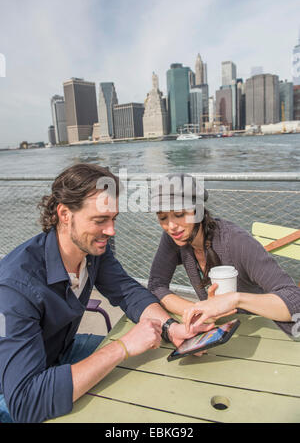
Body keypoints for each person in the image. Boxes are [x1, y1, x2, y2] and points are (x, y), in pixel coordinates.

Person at [0, 164, 212, 423]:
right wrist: (122, 347)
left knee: (156, 358)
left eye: (113, 219)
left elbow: (126, 291)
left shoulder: (91, 249)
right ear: (65, 214)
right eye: (100, 220)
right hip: (13, 386)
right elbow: (26, 402)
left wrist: (170, 327)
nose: (111, 231)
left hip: (61, 351)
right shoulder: (15, 286)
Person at [148, 173, 300, 337]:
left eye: (179, 215)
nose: (171, 226)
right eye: (162, 217)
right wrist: (196, 310)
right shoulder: (175, 237)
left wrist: (235, 300)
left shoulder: (236, 241)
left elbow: (294, 300)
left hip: (267, 330)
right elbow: (156, 285)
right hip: (224, 331)